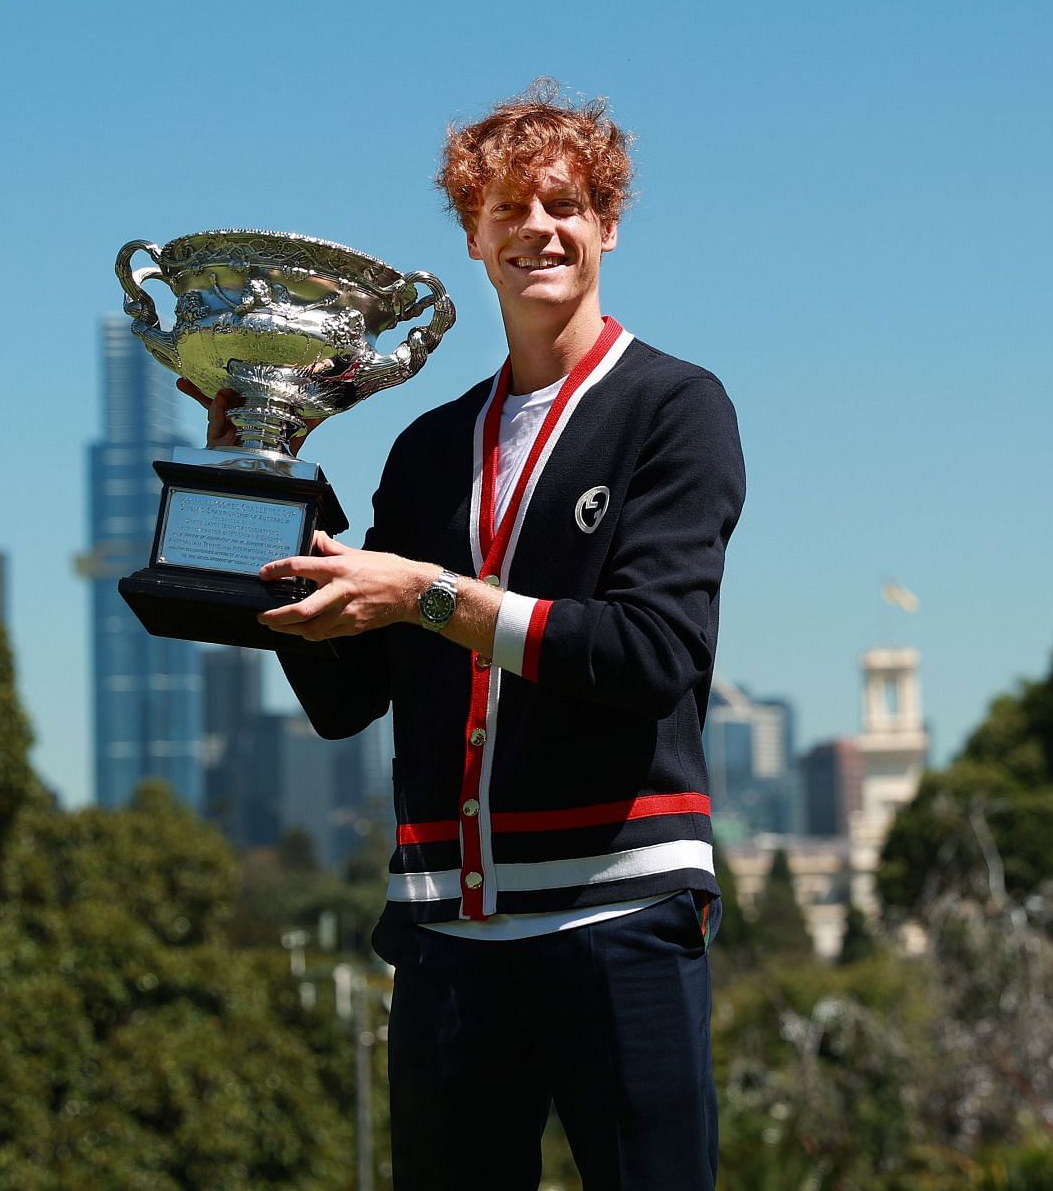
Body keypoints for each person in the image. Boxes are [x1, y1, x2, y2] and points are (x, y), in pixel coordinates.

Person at [184, 82, 745, 1189]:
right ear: (475, 237)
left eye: (568, 204)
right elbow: (350, 698)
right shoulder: (431, 450)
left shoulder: (674, 409)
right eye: (510, 209)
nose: (542, 228)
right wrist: (276, 491)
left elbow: (651, 654)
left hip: (619, 915)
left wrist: (430, 593)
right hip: (447, 939)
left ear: (608, 224)